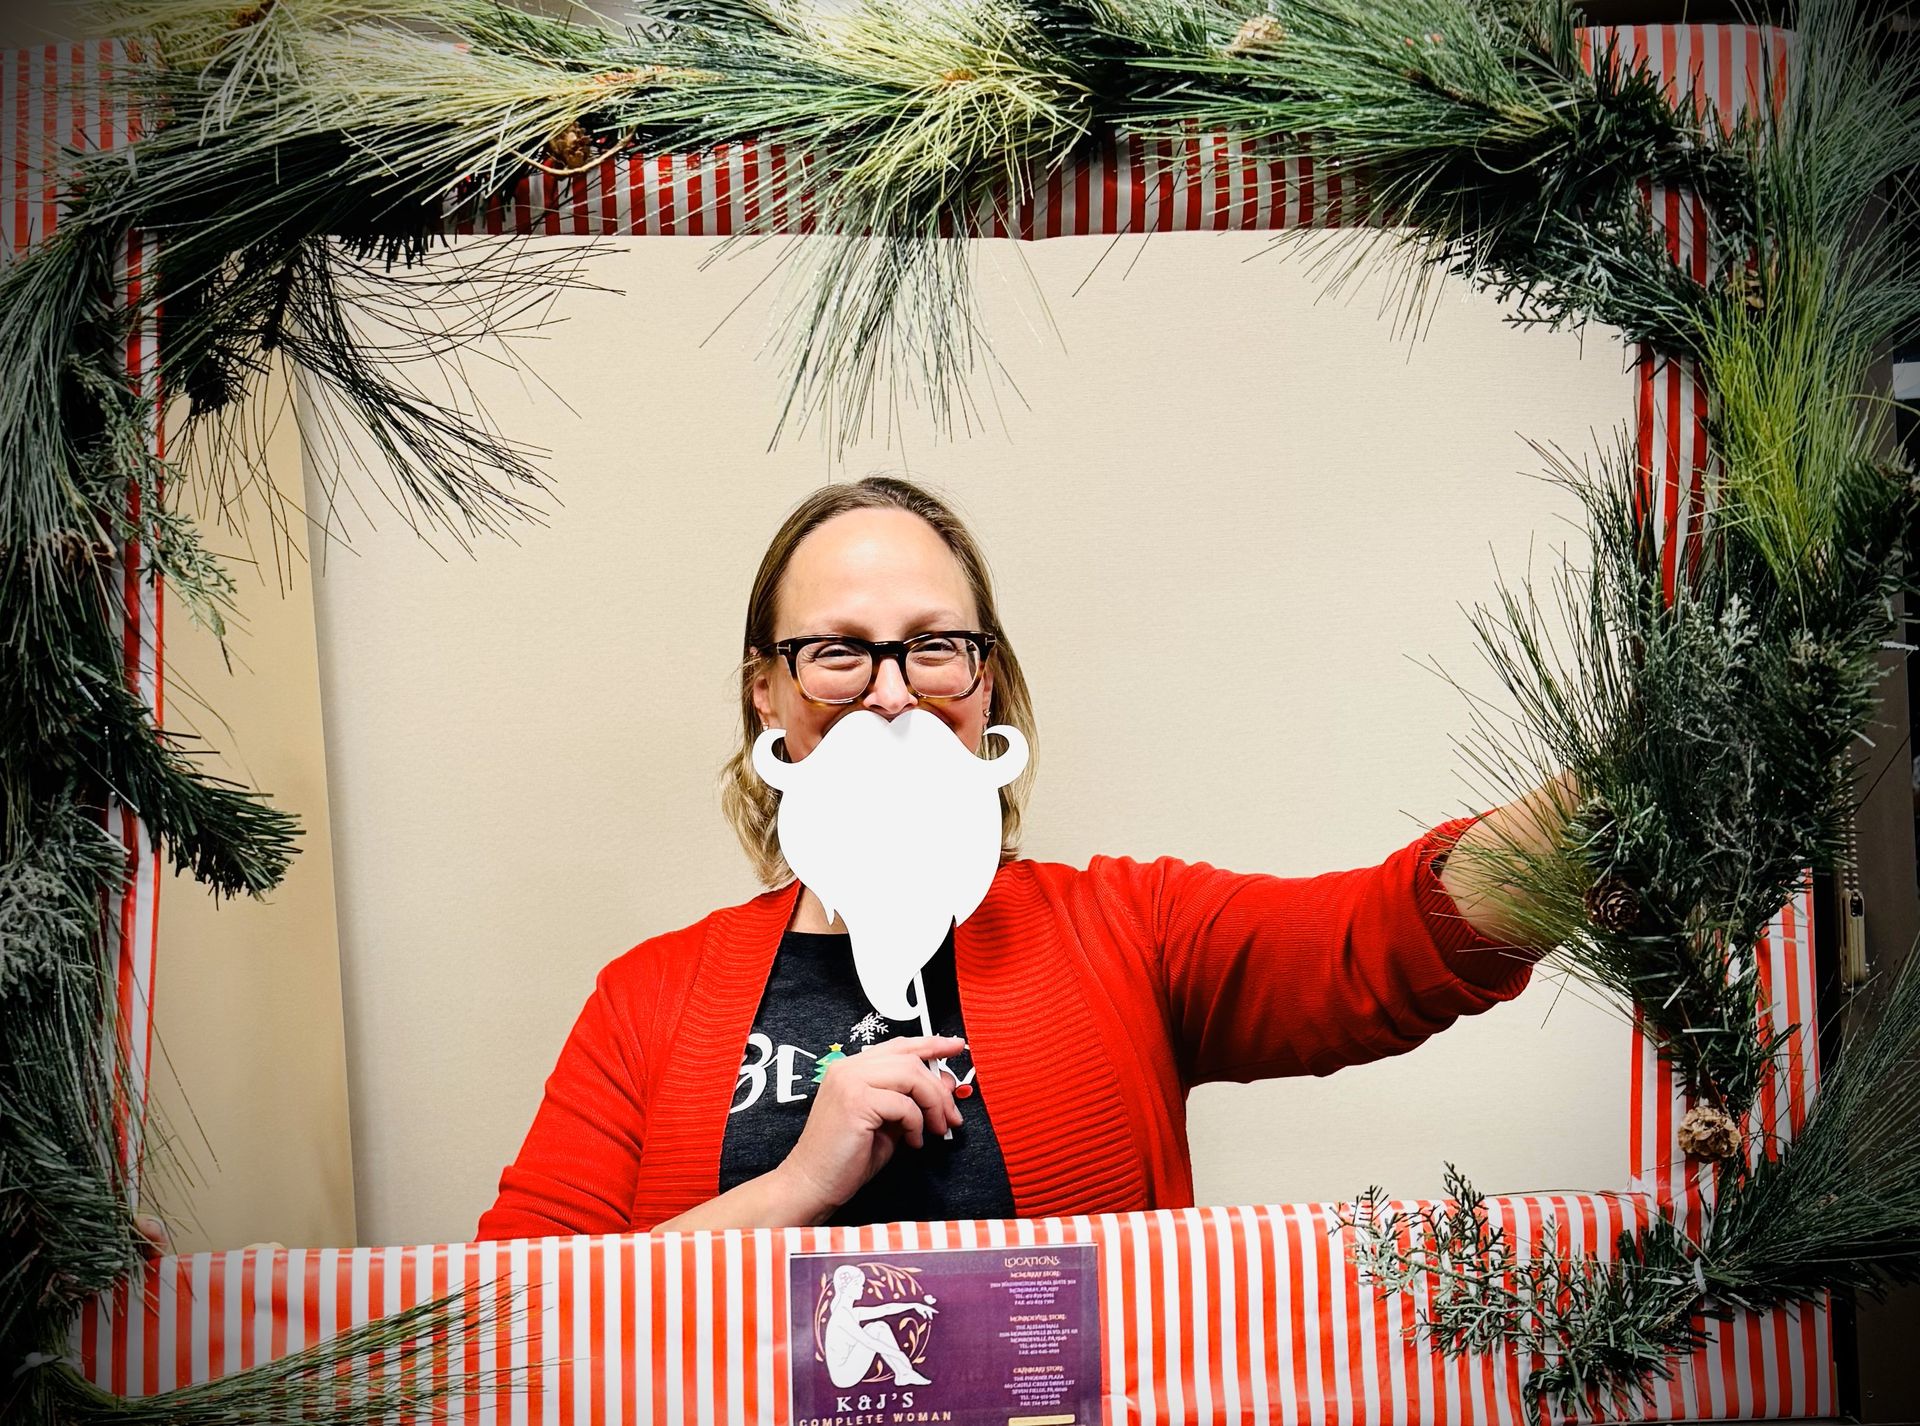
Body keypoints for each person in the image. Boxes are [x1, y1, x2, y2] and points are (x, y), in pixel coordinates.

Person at [476, 475, 1570, 1239]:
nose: (893, 691)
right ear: (765, 689)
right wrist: (799, 1182)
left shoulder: (1124, 931)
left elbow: (1382, 940)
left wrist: (1635, 791)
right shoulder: (647, 1000)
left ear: (985, 681)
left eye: (934, 646)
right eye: (840, 651)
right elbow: (511, 1322)